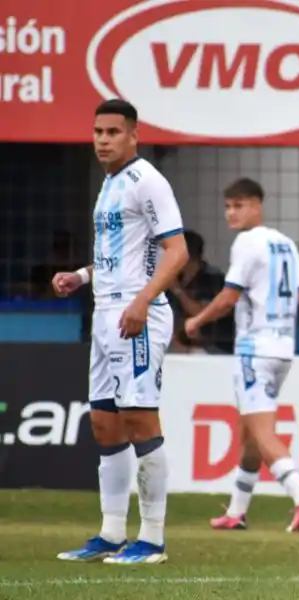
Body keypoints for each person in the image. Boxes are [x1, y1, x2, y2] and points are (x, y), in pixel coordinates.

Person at [53, 99, 188, 564]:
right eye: (98, 132)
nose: (103, 140)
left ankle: (152, 539)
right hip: (106, 311)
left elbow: (177, 251)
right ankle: (111, 533)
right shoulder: (109, 185)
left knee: (139, 420)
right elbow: (118, 255)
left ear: (133, 135)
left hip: (138, 314)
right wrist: (81, 277)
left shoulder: (147, 180)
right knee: (104, 423)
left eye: (113, 132)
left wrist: (143, 300)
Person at [183, 177, 299, 532]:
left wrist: (197, 320)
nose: (231, 213)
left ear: (258, 205)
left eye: (239, 205)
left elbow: (229, 296)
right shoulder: (285, 244)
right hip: (282, 351)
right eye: (228, 207)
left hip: (254, 350)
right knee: (249, 434)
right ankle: (236, 511)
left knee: (261, 432)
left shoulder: (246, 243)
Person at [167, 230, 233, 354]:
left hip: (214, 348)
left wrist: (177, 290)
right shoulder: (175, 279)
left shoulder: (212, 278)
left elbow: (201, 312)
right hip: (180, 346)